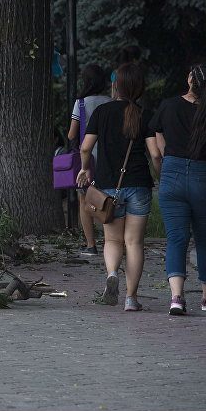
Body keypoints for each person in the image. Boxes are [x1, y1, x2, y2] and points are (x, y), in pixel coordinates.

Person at [150, 63, 206, 315]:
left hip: (172, 175)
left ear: (190, 79)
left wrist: (167, 166)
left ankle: (177, 298)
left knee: (176, 240)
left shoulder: (168, 106)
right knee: (205, 241)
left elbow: (158, 143)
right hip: (205, 180)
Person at [76, 63, 161, 311]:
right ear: (139, 87)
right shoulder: (144, 114)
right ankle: (131, 299)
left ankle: (112, 274)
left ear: (116, 85)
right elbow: (155, 154)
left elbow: (85, 147)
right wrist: (160, 176)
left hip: (107, 188)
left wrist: (85, 169)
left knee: (112, 241)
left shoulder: (102, 112)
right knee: (134, 243)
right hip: (139, 185)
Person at [67, 65, 113, 255]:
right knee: (110, 198)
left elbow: (71, 135)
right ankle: (113, 242)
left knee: (85, 200)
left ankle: (90, 245)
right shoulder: (112, 102)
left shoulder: (82, 104)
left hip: (88, 161)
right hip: (110, 158)